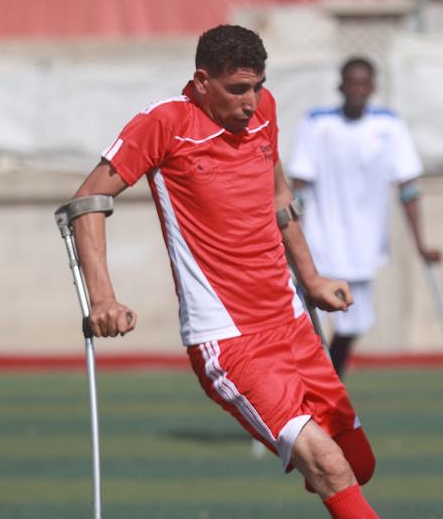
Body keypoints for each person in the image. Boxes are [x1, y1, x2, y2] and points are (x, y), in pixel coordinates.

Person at [66, 25, 378, 519]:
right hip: (230, 341)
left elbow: (280, 196)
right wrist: (103, 297)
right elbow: (87, 201)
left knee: (359, 464)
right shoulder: (165, 123)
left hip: (291, 322)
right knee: (331, 468)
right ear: (201, 81)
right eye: (237, 89)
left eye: (258, 85)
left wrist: (312, 279)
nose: (251, 101)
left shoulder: (265, 110)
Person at [289, 56, 441, 376]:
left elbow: (408, 188)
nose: (358, 90)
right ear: (340, 86)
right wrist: (291, 239)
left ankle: (327, 383)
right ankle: (318, 390)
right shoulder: (316, 123)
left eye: (364, 84)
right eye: (351, 83)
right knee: (307, 323)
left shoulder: (389, 125)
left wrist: (420, 243)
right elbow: (298, 188)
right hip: (318, 244)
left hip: (363, 247)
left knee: (353, 323)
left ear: (373, 87)